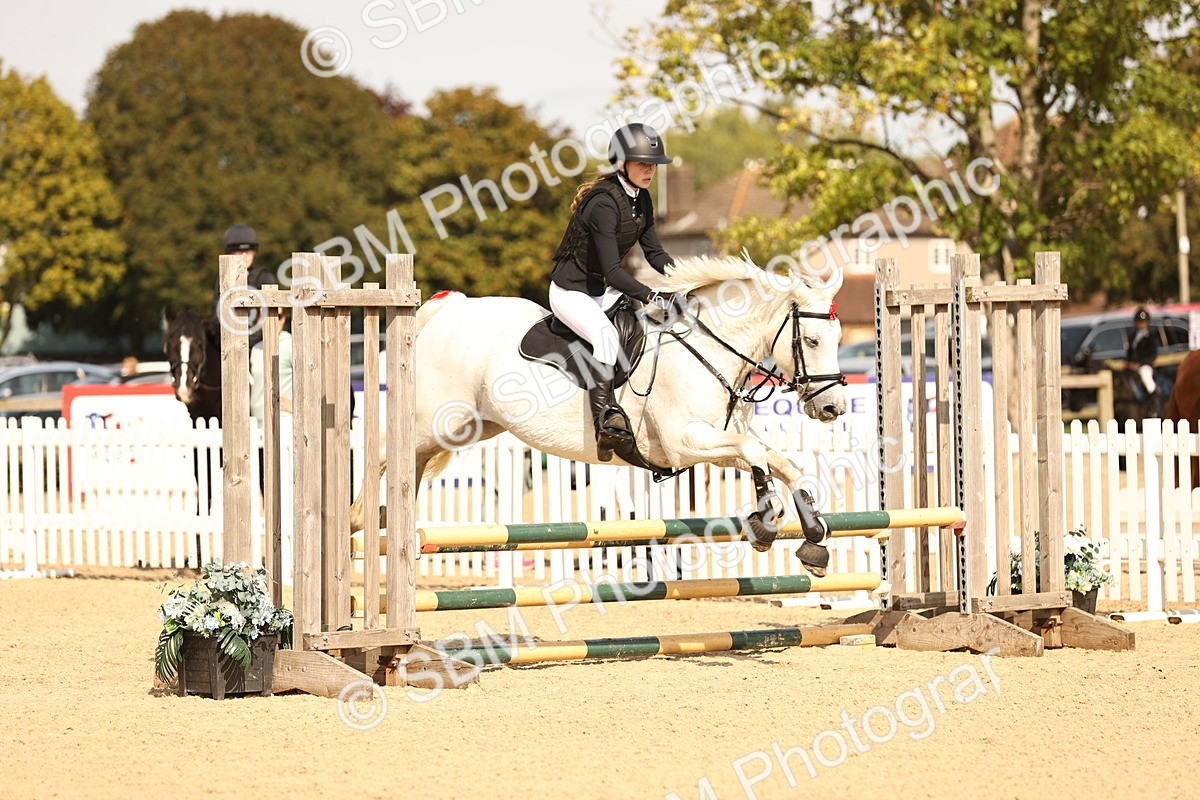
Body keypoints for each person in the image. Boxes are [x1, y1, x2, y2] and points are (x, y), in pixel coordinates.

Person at [549, 122, 682, 461]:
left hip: (602, 290)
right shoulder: (604, 204)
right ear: (621, 163)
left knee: (647, 331)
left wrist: (687, 280)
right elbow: (612, 270)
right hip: (572, 290)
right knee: (606, 337)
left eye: (653, 163)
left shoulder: (642, 199)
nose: (649, 169)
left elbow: (655, 254)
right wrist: (651, 296)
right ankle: (605, 421)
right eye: (642, 163)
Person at [1126, 306, 1159, 415]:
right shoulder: (1132, 336)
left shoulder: (1151, 337)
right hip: (1132, 365)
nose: (1141, 324)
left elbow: (1153, 355)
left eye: (1143, 322)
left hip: (1145, 365)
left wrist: (1140, 364)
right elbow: (1130, 352)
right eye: (1139, 322)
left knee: (1146, 377)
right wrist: (1129, 363)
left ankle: (1153, 403)